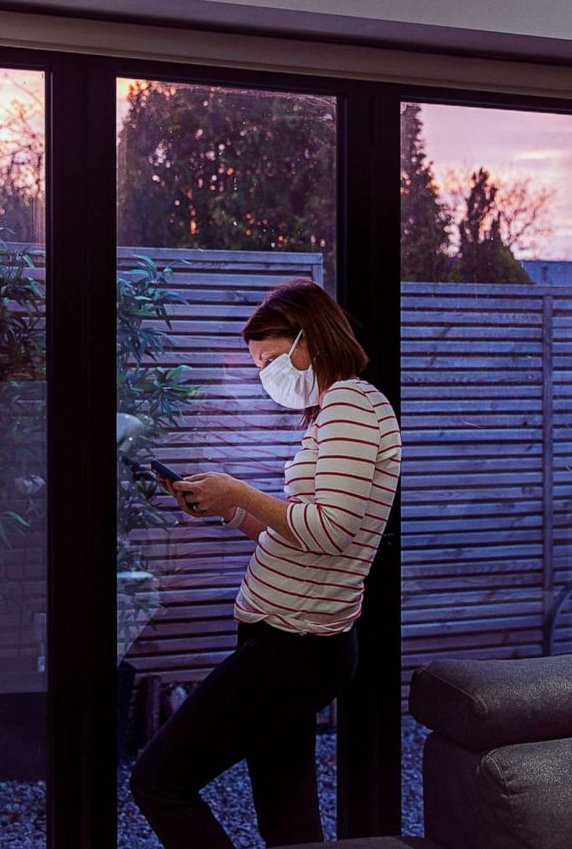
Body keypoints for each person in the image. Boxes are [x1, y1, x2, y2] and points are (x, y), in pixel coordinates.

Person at [129, 278, 402, 847]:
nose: (267, 375)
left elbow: (329, 530)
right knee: (288, 815)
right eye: (259, 365)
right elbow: (298, 526)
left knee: (158, 781)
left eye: (274, 357)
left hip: (294, 647)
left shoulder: (350, 404)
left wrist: (238, 490)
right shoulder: (333, 412)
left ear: (315, 339)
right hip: (286, 640)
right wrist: (226, 508)